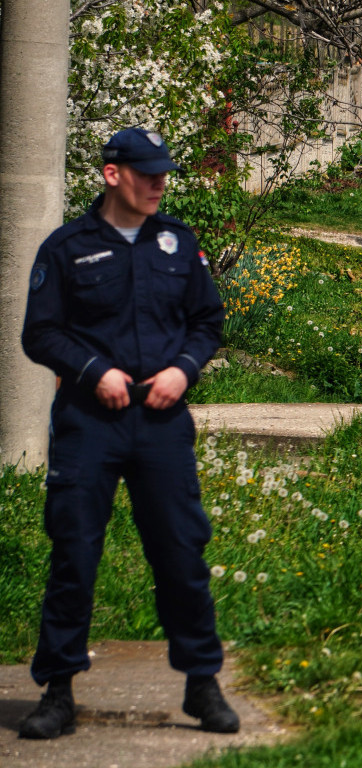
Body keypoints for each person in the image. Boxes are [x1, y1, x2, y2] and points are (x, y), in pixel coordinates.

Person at [18, 128, 237, 739]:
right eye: (146, 173)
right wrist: (93, 372)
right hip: (91, 423)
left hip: (161, 422)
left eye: (163, 173)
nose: (158, 183)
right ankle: (57, 692)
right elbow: (41, 333)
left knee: (180, 550)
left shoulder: (178, 244)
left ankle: (202, 684)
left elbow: (206, 321)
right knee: (75, 553)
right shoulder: (66, 248)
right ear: (113, 174)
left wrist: (183, 369)